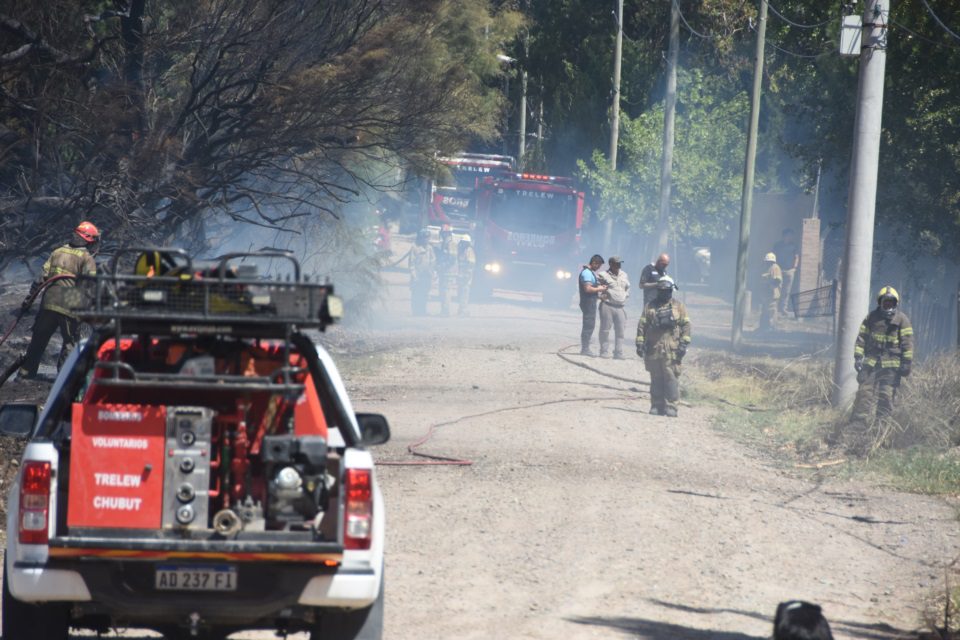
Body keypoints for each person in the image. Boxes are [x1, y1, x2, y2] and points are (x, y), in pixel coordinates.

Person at [18, 221, 100, 379]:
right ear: (88, 240)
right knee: (70, 342)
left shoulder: (57, 251)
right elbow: (89, 286)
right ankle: (64, 377)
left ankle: (25, 373)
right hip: (70, 302)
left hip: (49, 300)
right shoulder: (86, 258)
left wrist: (28, 300)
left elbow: (40, 278)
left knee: (38, 339)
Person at [850, 286, 913, 427]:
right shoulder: (871, 318)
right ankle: (858, 424)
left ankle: (881, 427)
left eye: (891, 302)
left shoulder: (902, 320)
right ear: (880, 303)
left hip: (892, 366)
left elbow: (907, 344)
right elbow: (861, 338)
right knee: (864, 392)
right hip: (871, 363)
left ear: (895, 303)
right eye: (885, 302)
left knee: (886, 395)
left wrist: (906, 363)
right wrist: (858, 357)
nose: (888, 305)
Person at [635, 275, 691, 417]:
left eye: (666, 290)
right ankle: (657, 405)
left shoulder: (679, 306)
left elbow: (686, 326)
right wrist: (640, 343)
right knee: (656, 378)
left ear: (671, 291)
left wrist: (683, 344)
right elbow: (642, 325)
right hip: (654, 348)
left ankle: (671, 406)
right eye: (661, 290)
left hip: (671, 349)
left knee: (671, 378)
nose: (664, 293)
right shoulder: (650, 306)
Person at [597, 256, 630, 359]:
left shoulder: (624, 275)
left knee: (620, 331)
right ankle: (604, 351)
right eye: (616, 263)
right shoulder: (603, 275)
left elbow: (628, 288)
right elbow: (596, 287)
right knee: (605, 330)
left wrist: (626, 296)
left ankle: (618, 352)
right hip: (607, 305)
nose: (619, 265)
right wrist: (600, 295)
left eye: (620, 263)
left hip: (620, 306)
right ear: (610, 264)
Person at [578, 254, 607, 356]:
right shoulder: (586, 273)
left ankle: (585, 348)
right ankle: (585, 349)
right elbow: (588, 289)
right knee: (588, 325)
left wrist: (599, 296)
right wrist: (601, 289)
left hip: (590, 301)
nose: (599, 268)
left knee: (590, 324)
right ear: (594, 263)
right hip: (587, 303)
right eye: (598, 265)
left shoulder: (590, 273)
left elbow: (591, 291)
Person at [408, 228, 435, 316]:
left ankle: (423, 311)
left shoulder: (430, 248)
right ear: (421, 238)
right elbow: (411, 264)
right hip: (417, 276)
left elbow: (433, 260)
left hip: (426, 276)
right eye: (425, 238)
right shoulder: (414, 247)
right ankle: (416, 311)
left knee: (424, 294)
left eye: (428, 238)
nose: (427, 239)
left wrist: (431, 271)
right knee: (416, 294)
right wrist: (414, 276)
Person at [773, 228, 799, 315]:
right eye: (788, 235)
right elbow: (773, 256)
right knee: (776, 289)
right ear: (784, 236)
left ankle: (783, 309)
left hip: (789, 271)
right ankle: (775, 308)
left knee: (786, 291)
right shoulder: (777, 245)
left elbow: (796, 257)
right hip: (778, 270)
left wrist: (794, 268)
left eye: (791, 235)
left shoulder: (794, 246)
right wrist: (774, 267)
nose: (790, 237)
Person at [436, 224, 457, 316]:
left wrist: (443, 266)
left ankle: (445, 311)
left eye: (443, 233)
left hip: (449, 272)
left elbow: (452, 259)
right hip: (445, 271)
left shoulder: (451, 243)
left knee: (446, 291)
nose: (442, 234)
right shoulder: (445, 243)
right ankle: (443, 310)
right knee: (442, 291)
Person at [758, 252, 783, 332]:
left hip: (772, 294)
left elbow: (777, 280)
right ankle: (763, 327)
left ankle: (771, 328)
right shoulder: (767, 267)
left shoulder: (775, 268)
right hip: (766, 294)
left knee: (771, 311)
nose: (766, 263)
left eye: (768, 261)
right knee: (765, 311)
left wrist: (771, 286)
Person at [457, 236, 476, 317]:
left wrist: (467, 275)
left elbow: (471, 264)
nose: (461, 244)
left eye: (463, 242)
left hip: (466, 277)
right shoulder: (463, 251)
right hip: (462, 276)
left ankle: (463, 311)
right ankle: (461, 310)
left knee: (464, 294)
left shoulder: (469, 251)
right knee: (461, 293)